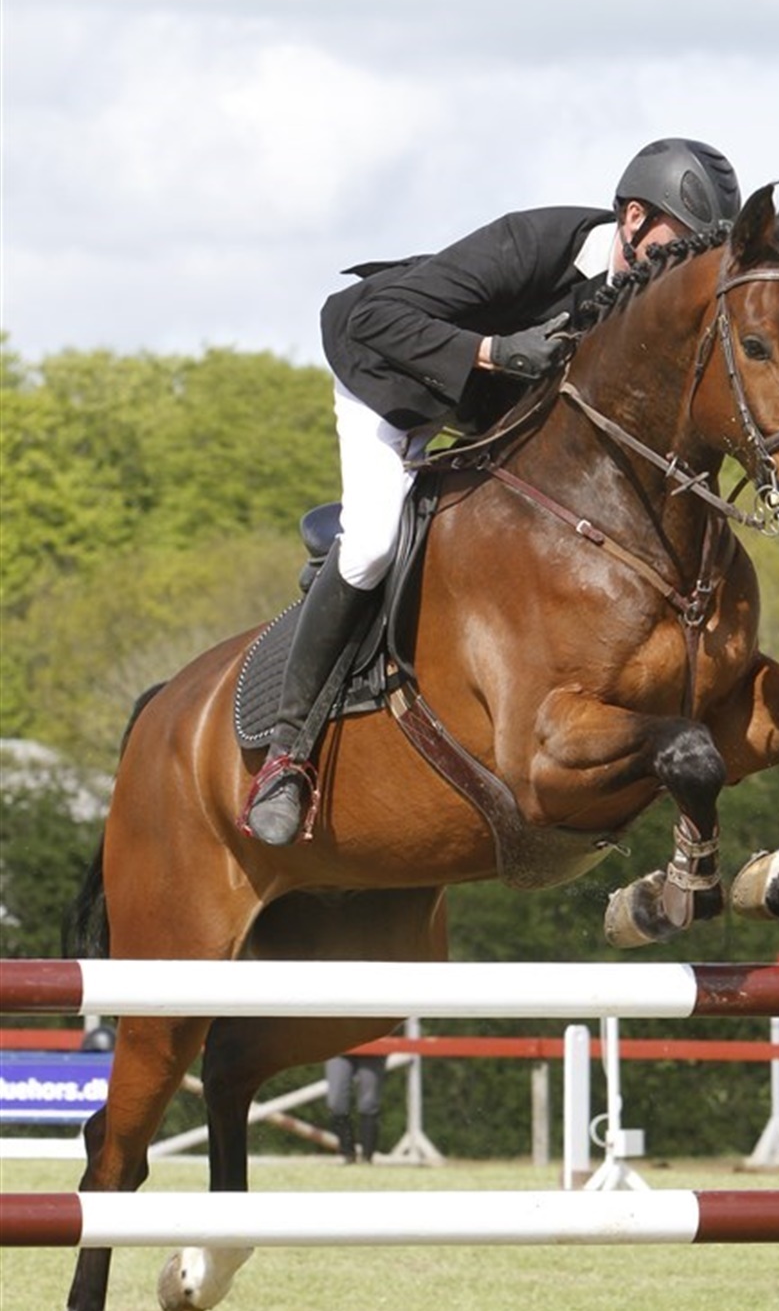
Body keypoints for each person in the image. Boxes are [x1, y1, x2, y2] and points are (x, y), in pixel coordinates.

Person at [242, 138, 742, 847]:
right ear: (632, 219)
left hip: (481, 413)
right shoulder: (535, 244)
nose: (680, 269)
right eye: (676, 246)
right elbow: (371, 318)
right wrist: (493, 351)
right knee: (373, 544)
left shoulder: (638, 303)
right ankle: (286, 756)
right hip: (389, 381)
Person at [324, 1053, 386, 1165]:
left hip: (372, 1049)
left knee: (369, 1104)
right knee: (336, 1104)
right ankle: (347, 1153)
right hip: (338, 1049)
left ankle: (367, 1157)